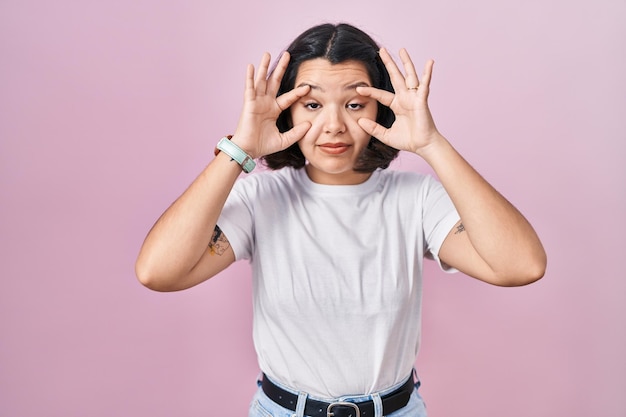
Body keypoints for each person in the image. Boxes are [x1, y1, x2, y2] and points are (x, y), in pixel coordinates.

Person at [135, 22, 546, 417]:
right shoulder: (261, 197)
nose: (333, 125)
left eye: (354, 104)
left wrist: (431, 144)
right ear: (287, 111)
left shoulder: (415, 199)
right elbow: (159, 272)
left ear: (381, 109)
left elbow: (520, 266)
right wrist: (240, 148)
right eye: (312, 105)